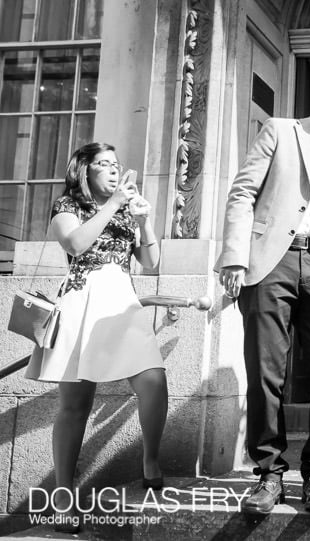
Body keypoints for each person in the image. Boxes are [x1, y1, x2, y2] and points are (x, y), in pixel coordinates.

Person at [216, 69, 310, 514]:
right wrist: (235, 257)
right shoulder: (281, 131)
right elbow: (243, 192)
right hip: (272, 262)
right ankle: (269, 474)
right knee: (266, 373)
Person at [25, 142, 166, 534]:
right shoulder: (67, 206)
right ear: (85, 171)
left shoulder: (125, 208)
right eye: (103, 164)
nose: (112, 169)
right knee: (75, 406)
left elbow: (151, 263)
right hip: (81, 302)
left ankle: (150, 460)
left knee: (153, 379)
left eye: (116, 164)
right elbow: (75, 244)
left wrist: (144, 221)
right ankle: (63, 501)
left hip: (122, 301)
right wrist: (112, 204)